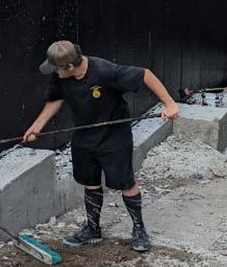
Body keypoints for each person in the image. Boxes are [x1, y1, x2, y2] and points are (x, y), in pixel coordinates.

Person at [23, 40, 180, 252]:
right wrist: (36, 127)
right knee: (90, 182)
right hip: (84, 137)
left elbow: (145, 74)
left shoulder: (105, 71)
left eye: (56, 68)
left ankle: (139, 229)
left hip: (114, 137)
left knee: (126, 183)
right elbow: (55, 99)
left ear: (69, 66)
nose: (54, 72)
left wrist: (169, 103)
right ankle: (92, 230)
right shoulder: (60, 76)